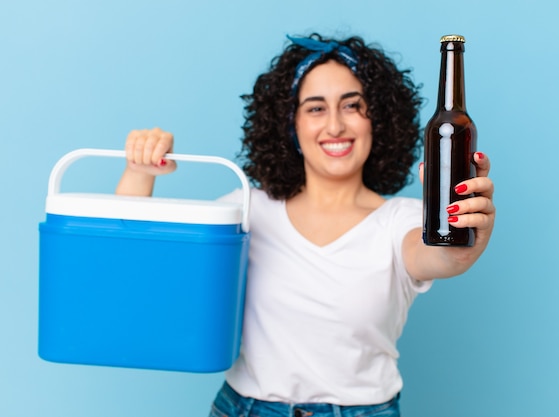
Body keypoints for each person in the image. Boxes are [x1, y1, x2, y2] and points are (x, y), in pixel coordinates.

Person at [116, 33, 495, 417]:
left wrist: (466, 239)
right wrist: (139, 172)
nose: (334, 125)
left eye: (352, 105)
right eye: (315, 108)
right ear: (290, 125)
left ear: (377, 119)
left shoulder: (403, 220)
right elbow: (132, 264)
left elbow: (441, 255)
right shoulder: (248, 210)